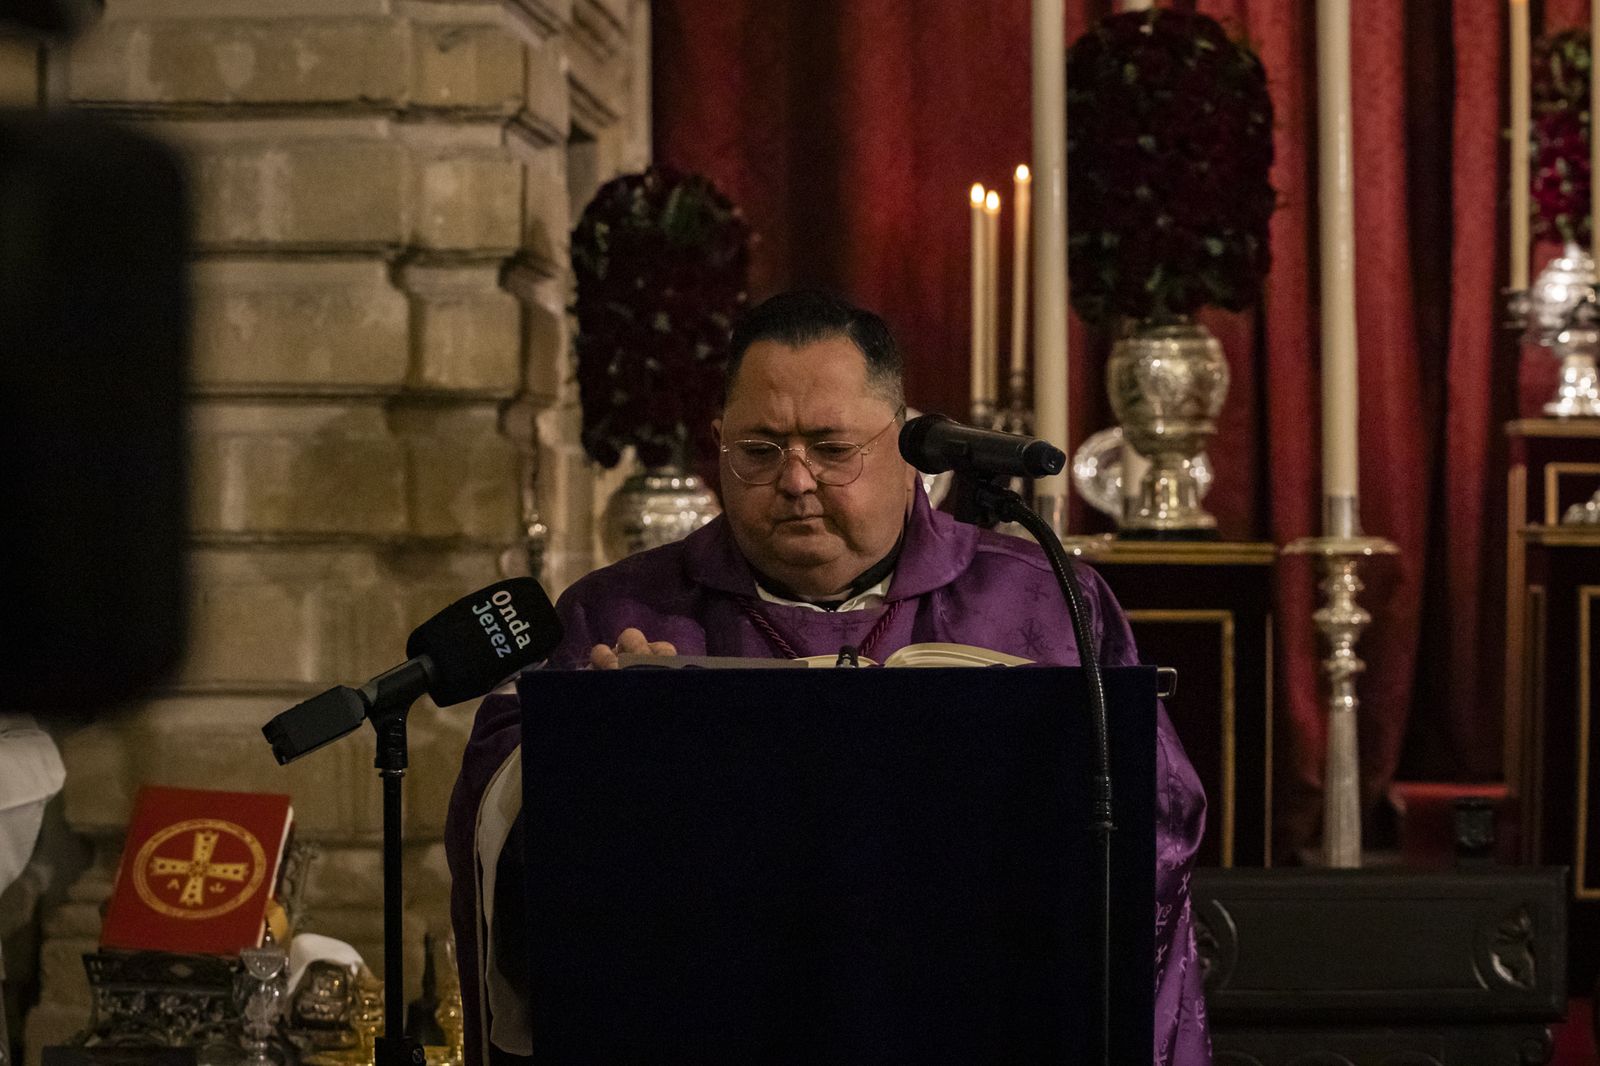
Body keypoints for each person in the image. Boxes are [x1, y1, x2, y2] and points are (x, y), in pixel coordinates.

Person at [446, 290, 1210, 1065]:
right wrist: (601, 749)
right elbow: (498, 825)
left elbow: (1160, 837)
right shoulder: (619, 613)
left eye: (831, 447)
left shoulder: (1046, 605)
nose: (797, 480)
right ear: (717, 445)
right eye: (760, 448)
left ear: (907, 444)